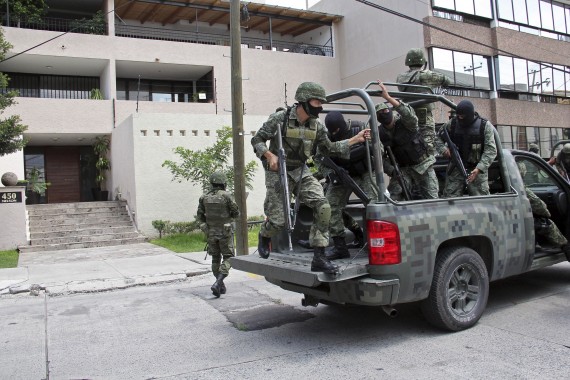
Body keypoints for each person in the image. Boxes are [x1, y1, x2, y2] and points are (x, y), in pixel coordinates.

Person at [251, 82, 370, 274]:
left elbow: (330, 148)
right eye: (316, 102)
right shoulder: (279, 119)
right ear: (304, 101)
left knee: (323, 206)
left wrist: (356, 139)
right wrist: (269, 155)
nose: (320, 107)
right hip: (278, 170)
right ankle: (265, 235)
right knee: (278, 221)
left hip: (300, 170)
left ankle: (319, 258)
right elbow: (257, 139)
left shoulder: (316, 126)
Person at [319, 111, 377, 260]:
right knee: (329, 206)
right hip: (342, 174)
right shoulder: (327, 137)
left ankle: (374, 243)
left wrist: (368, 146)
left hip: (364, 173)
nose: (335, 133)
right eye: (332, 131)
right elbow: (320, 159)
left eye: (337, 130)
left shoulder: (359, 128)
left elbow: (379, 150)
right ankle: (340, 247)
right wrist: (330, 174)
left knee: (374, 205)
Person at [376, 81, 439, 200]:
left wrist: (388, 97)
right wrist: (391, 170)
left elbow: (408, 114)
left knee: (432, 198)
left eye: (385, 111)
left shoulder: (406, 122)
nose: (383, 114)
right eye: (379, 113)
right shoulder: (380, 133)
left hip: (423, 165)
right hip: (403, 169)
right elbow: (379, 157)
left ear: (390, 111)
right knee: (393, 197)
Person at [396, 48, 452, 156]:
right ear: (422, 61)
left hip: (406, 116)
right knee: (427, 148)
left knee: (409, 145)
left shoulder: (400, 77)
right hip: (424, 118)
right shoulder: (425, 75)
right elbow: (447, 80)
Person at [436, 100, 497, 197]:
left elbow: (491, 151)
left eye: (462, 116)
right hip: (455, 169)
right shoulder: (453, 123)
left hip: (476, 170)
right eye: (458, 115)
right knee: (450, 201)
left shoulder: (484, 126)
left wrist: (479, 168)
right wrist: (444, 150)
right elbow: (438, 137)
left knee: (481, 203)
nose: (459, 118)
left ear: (469, 114)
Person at [196, 171, 239, 298]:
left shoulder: (204, 197)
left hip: (211, 233)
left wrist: (205, 227)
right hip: (225, 233)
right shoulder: (227, 196)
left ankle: (219, 284)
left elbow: (199, 216)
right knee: (229, 257)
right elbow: (236, 212)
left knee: (215, 258)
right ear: (223, 182)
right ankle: (218, 282)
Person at [517, 161, 570, 261]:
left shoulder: (497, 184)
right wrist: (547, 215)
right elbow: (541, 207)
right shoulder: (520, 188)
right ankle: (565, 247)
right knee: (546, 223)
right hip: (519, 220)